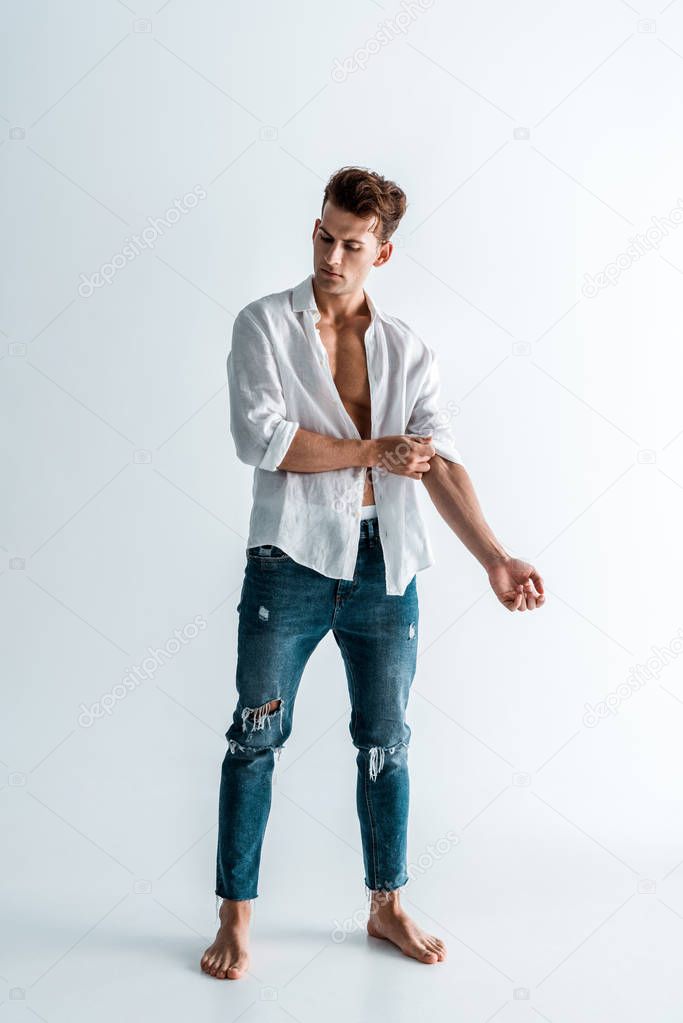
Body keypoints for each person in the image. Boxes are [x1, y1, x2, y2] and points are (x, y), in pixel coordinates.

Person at [201, 166, 545, 980]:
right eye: (322, 235)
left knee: (385, 741)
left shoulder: (405, 349)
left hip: (384, 563)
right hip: (285, 559)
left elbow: (440, 464)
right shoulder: (263, 326)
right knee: (255, 735)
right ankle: (235, 915)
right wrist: (370, 451)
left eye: (349, 244)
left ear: (381, 252)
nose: (329, 255)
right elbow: (264, 441)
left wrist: (495, 556)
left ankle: (385, 904)